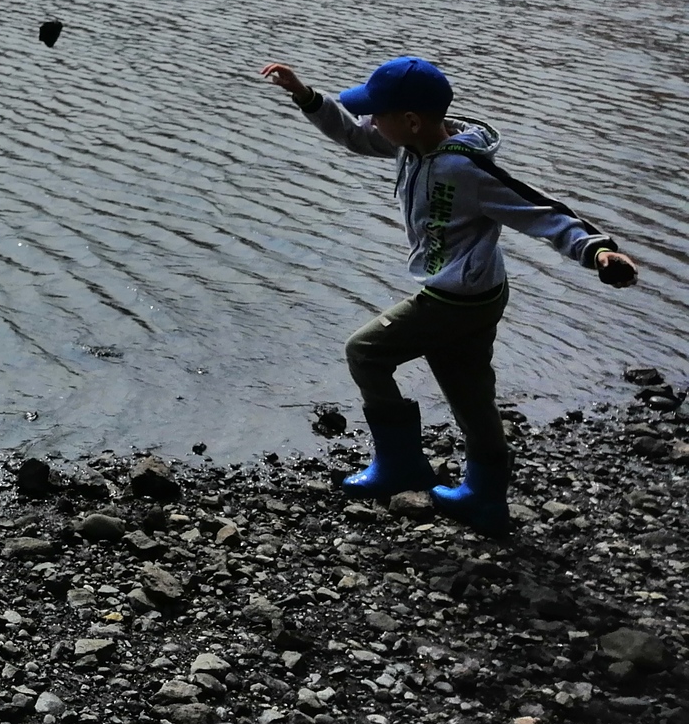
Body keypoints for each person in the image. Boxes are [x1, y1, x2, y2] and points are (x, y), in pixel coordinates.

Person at [260, 56, 639, 534]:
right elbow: (354, 136)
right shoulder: (412, 145)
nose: (371, 121)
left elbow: (540, 209)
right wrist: (307, 96)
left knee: (365, 352)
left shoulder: (465, 168)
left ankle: (401, 464)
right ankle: (484, 500)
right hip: (477, 293)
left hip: (454, 300)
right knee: (469, 394)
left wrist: (597, 250)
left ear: (411, 120)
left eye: (378, 113)